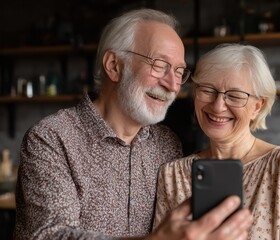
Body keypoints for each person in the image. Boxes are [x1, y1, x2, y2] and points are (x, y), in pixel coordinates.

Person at [14, 9, 253, 240]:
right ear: (114, 66)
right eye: (160, 65)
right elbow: (49, 235)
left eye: (179, 72)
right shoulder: (51, 138)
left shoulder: (167, 143)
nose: (172, 85)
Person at [153, 43, 280, 239]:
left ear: (257, 107)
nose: (218, 106)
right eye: (208, 90)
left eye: (235, 96)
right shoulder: (172, 175)